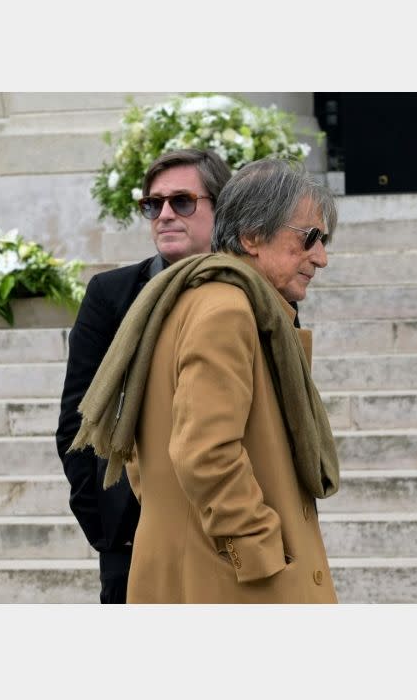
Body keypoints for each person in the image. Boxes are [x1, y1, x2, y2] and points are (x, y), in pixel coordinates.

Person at [68, 158, 341, 603]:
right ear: (252, 236)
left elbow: (140, 450)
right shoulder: (227, 310)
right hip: (231, 583)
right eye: (309, 238)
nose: (321, 257)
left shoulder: (187, 298)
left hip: (199, 566)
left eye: (323, 241)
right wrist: (257, 548)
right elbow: (204, 453)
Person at [56, 149, 231, 603]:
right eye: (154, 205)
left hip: (228, 531)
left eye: (182, 201)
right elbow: (78, 422)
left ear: (222, 206)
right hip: (134, 536)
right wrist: (107, 530)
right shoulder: (110, 295)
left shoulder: (253, 293)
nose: (165, 215)